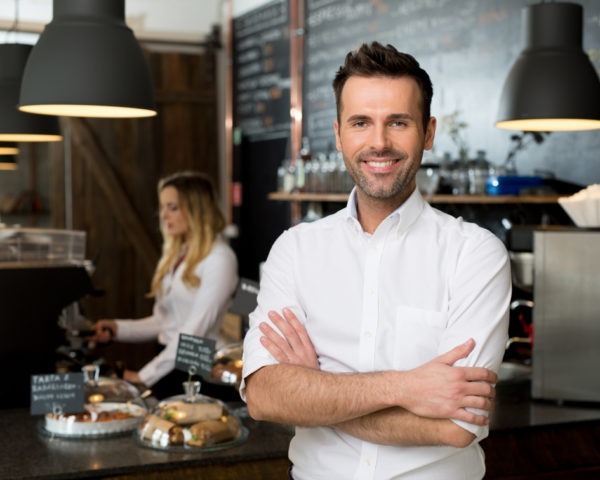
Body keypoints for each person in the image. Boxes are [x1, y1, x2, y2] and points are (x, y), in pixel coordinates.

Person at [241, 42, 511, 479]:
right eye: (361, 122)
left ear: (427, 132)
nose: (379, 142)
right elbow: (265, 397)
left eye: (398, 122)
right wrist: (406, 387)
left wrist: (316, 394)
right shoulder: (295, 249)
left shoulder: (475, 254)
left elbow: (456, 425)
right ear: (339, 134)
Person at [91, 171, 238, 400]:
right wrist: (117, 329)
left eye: (173, 207)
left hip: (200, 369)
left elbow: (194, 333)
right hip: (170, 361)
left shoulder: (220, 259)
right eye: (162, 207)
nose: (163, 215)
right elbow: (164, 321)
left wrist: (145, 376)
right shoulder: (178, 253)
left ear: (197, 209)